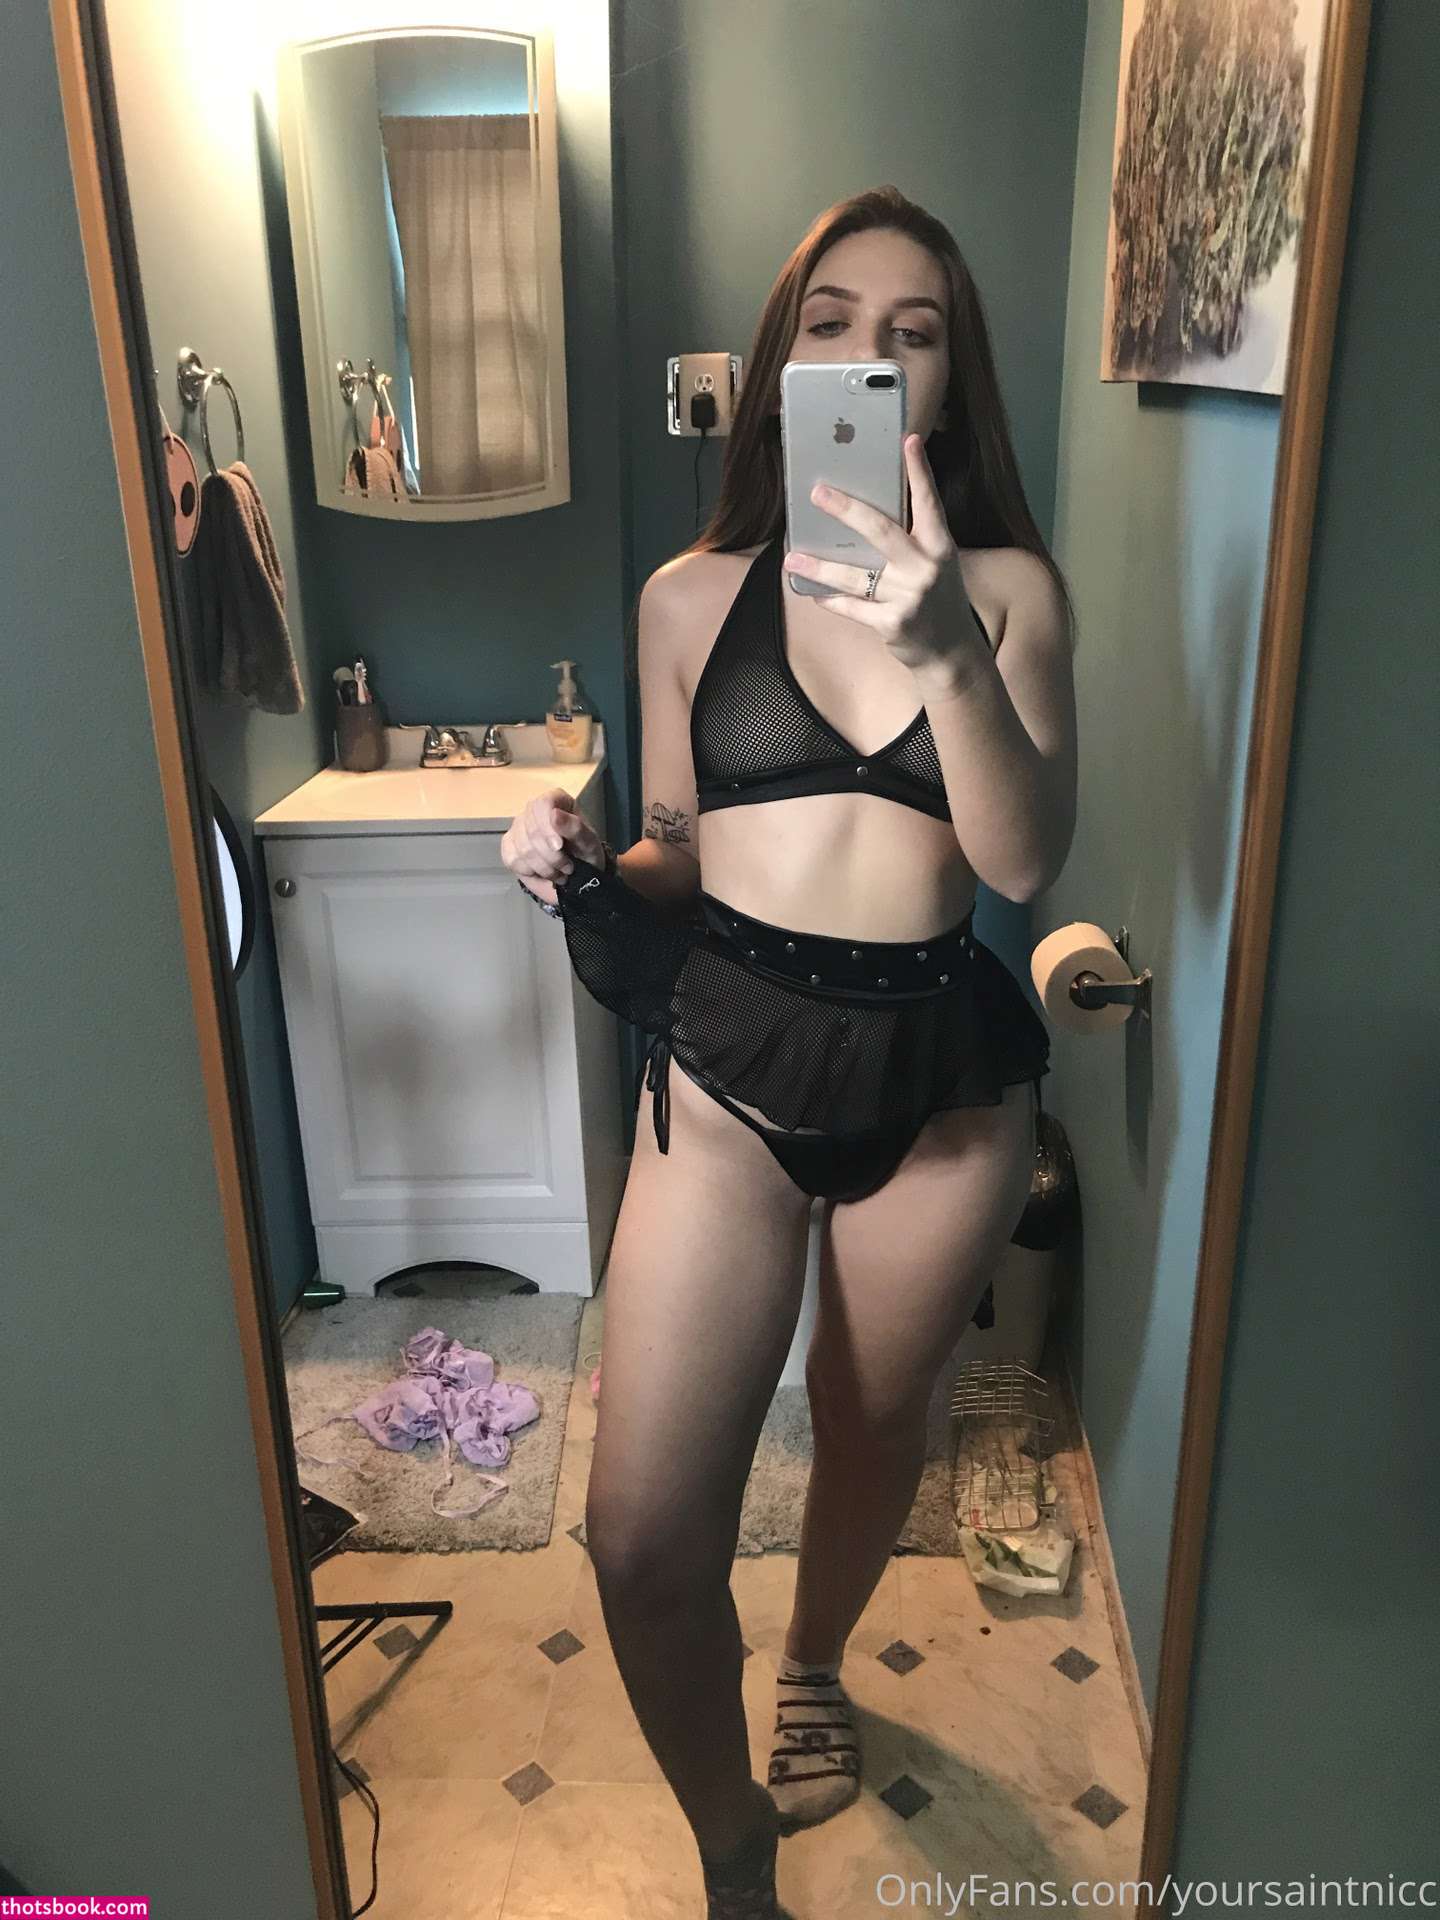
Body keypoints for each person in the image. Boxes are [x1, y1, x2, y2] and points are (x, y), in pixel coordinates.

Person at [502, 184, 1078, 1920]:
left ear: (952, 386)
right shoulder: (688, 601)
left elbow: (1021, 860)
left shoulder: (1007, 596)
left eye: (913, 332)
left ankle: (817, 1656)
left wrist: (948, 653)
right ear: (777, 369)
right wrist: (586, 853)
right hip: (732, 1067)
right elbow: (683, 842)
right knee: (641, 1539)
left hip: (935, 1086)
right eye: (831, 324)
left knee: (870, 1416)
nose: (866, 354)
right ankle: (728, 1835)